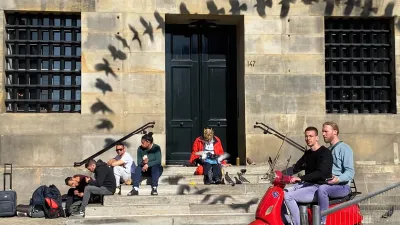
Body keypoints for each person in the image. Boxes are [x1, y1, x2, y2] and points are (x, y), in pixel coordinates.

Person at [284, 127, 333, 225]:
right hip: (307, 185)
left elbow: (321, 173)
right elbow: (296, 168)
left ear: (317, 138)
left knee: (288, 197)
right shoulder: (308, 154)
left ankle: (296, 223)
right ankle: (285, 221)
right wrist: (281, 174)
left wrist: (300, 178)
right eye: (306, 136)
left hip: (318, 187)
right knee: (281, 193)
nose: (308, 138)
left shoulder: (325, 153)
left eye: (311, 136)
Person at [317, 122, 355, 225]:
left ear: (335, 132)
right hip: (328, 183)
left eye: (326, 131)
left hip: (342, 186)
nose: (323, 134)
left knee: (322, 189)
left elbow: (350, 172)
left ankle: (322, 222)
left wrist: (338, 179)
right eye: (322, 131)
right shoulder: (327, 150)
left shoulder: (345, 148)